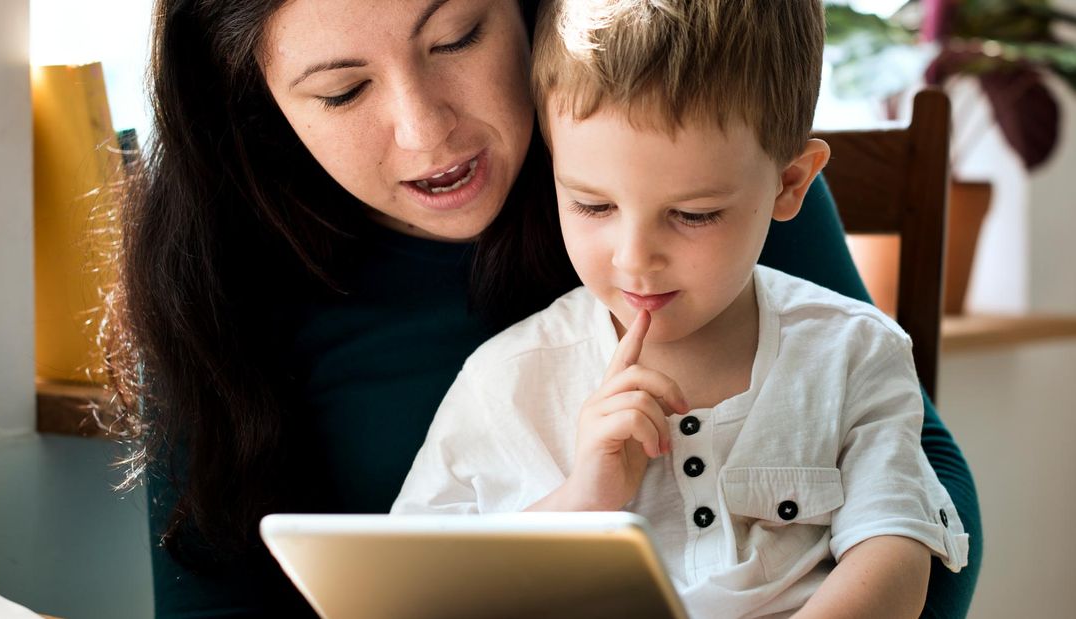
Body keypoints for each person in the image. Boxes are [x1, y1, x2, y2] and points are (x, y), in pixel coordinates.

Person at [107, 0, 979, 617]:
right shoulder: (216, 275)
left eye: (455, 36)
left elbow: (911, 470)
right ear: (251, 100)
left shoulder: (688, 141)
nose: (426, 130)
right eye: (342, 91)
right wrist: (584, 496)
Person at [391, 0, 970, 616]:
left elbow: (898, 550)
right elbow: (416, 589)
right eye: (592, 205)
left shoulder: (852, 352)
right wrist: (584, 500)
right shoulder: (507, 383)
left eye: (694, 215)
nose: (635, 259)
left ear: (792, 183)